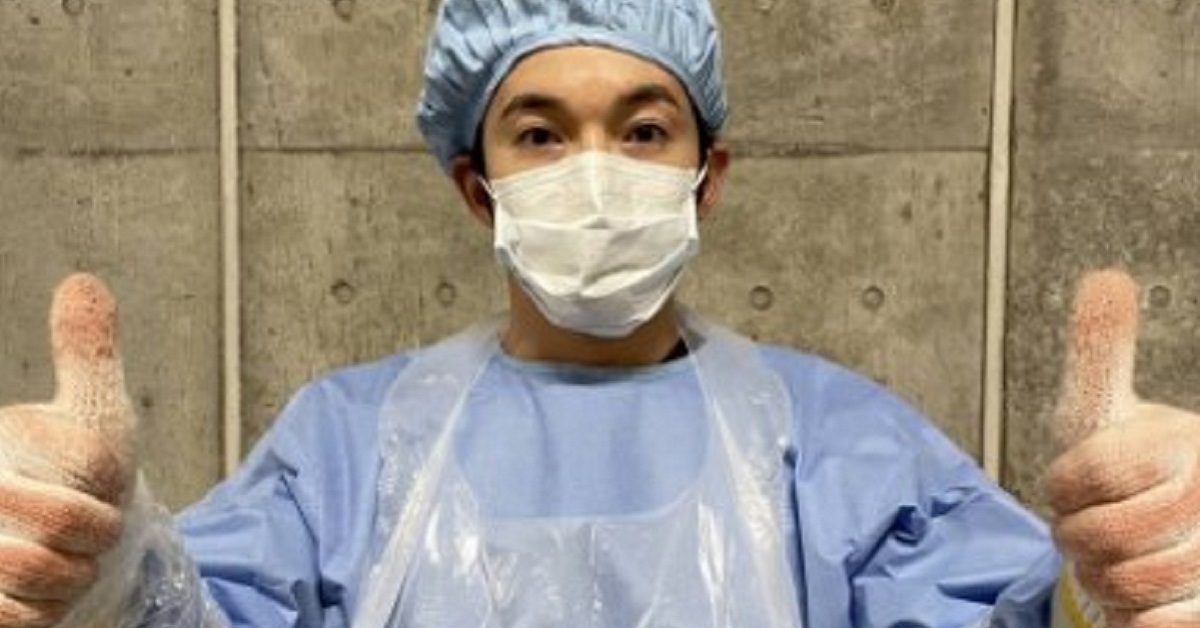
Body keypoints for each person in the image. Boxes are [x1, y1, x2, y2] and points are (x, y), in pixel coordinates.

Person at [1, 1, 1198, 626]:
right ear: (478, 188)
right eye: (539, 134)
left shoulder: (838, 446)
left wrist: (1112, 583)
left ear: (704, 177)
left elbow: (1011, 619)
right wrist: (94, 580)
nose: (595, 168)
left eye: (642, 130)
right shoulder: (352, 445)